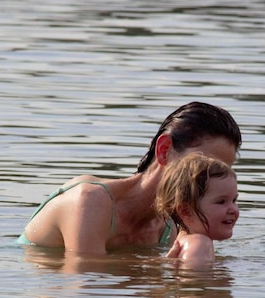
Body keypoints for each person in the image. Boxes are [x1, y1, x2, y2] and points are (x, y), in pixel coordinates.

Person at [18, 102, 241, 254]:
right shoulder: (89, 202)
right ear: (164, 150)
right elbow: (84, 294)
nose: (211, 182)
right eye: (202, 165)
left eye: (219, 172)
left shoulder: (174, 226)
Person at [155, 153, 239, 267]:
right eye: (221, 202)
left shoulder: (185, 241)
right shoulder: (201, 244)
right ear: (186, 211)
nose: (233, 209)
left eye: (234, 200)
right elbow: (194, 280)